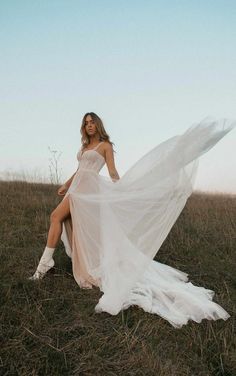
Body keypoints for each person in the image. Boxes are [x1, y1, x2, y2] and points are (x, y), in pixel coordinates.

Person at [29, 112, 235, 328]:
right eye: (86, 123)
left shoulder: (105, 146)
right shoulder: (84, 147)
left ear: (98, 125)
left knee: (56, 217)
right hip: (76, 189)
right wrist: (66, 184)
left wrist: (122, 189)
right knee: (64, 221)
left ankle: (44, 266)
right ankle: (48, 264)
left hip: (89, 191)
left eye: (92, 122)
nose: (89, 126)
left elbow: (111, 171)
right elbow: (80, 169)